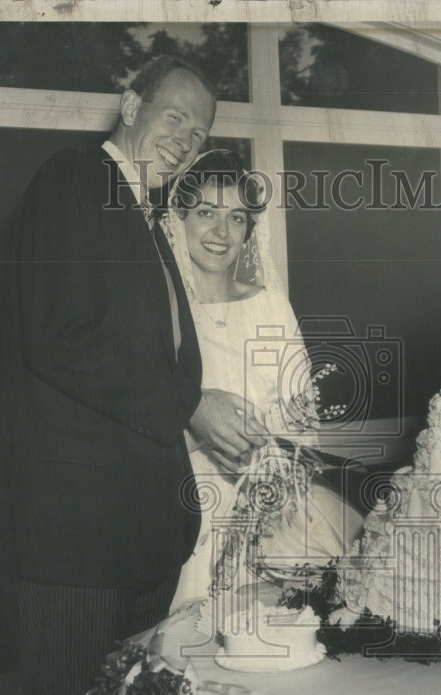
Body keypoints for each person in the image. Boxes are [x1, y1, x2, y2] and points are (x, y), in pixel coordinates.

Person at [0, 58, 265, 695]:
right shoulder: (73, 181)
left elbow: (159, 352)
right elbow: (59, 335)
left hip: (139, 546)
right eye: (174, 117)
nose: (184, 139)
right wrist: (189, 405)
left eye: (198, 134)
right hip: (70, 546)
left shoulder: (145, 218)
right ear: (130, 103)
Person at [156, 150, 364, 619]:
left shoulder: (270, 306)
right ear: (178, 218)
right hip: (182, 509)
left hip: (276, 510)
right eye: (206, 212)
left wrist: (277, 480)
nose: (221, 232)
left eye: (236, 218)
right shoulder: (157, 314)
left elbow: (301, 411)